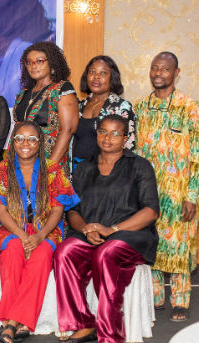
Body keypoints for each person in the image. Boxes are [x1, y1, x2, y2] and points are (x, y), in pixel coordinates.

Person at [55, 115, 159, 343]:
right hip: (90, 233)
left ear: (126, 138)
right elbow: (73, 210)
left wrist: (112, 229)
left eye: (115, 133)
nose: (108, 138)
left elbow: (151, 211)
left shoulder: (139, 166)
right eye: (103, 131)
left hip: (129, 235)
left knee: (106, 254)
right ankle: (83, 322)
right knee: (65, 252)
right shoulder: (84, 168)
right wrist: (85, 230)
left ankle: (110, 333)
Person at [0, 121, 79, 343]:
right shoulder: (1, 169)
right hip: (9, 228)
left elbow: (57, 210)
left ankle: (11, 322)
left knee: (42, 254)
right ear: (13, 142)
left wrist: (40, 235)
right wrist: (23, 236)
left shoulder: (53, 170)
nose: (26, 143)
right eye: (20, 138)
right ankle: (20, 322)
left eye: (32, 139)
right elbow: (0, 211)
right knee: (13, 250)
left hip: (46, 229)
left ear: (40, 143)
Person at [133, 51, 198, 322]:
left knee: (179, 246)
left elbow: (197, 152)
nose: (158, 73)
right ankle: (156, 298)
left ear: (176, 73)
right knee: (151, 242)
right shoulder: (139, 107)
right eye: (154, 68)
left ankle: (180, 301)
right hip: (147, 191)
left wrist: (193, 195)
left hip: (179, 191)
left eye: (165, 69)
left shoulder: (189, 107)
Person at [13, 42, 78, 175]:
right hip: (21, 164)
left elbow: (68, 130)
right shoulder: (23, 94)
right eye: (29, 62)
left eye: (39, 61)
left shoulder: (62, 89)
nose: (33, 66)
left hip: (49, 165)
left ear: (52, 63)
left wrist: (48, 168)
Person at [73, 56, 136, 166]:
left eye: (103, 73)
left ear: (112, 77)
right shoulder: (78, 106)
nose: (96, 77)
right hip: (76, 172)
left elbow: (129, 145)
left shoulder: (122, 107)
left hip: (105, 173)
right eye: (92, 72)